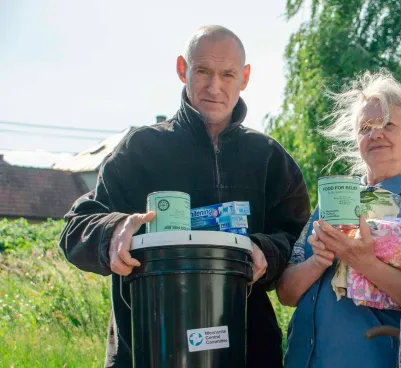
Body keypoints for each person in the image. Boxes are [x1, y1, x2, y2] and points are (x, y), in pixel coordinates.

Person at [58, 25, 311, 368]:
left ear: (246, 77)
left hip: (249, 352)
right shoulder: (140, 149)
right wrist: (113, 232)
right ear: (182, 69)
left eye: (228, 74)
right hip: (147, 350)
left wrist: (267, 250)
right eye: (203, 71)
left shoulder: (269, 158)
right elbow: (75, 228)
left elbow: (297, 242)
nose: (214, 87)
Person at [278, 70, 401, 368]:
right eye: (365, 127)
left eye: (388, 124)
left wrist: (364, 262)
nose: (375, 134)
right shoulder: (330, 205)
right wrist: (318, 262)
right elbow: (286, 294)